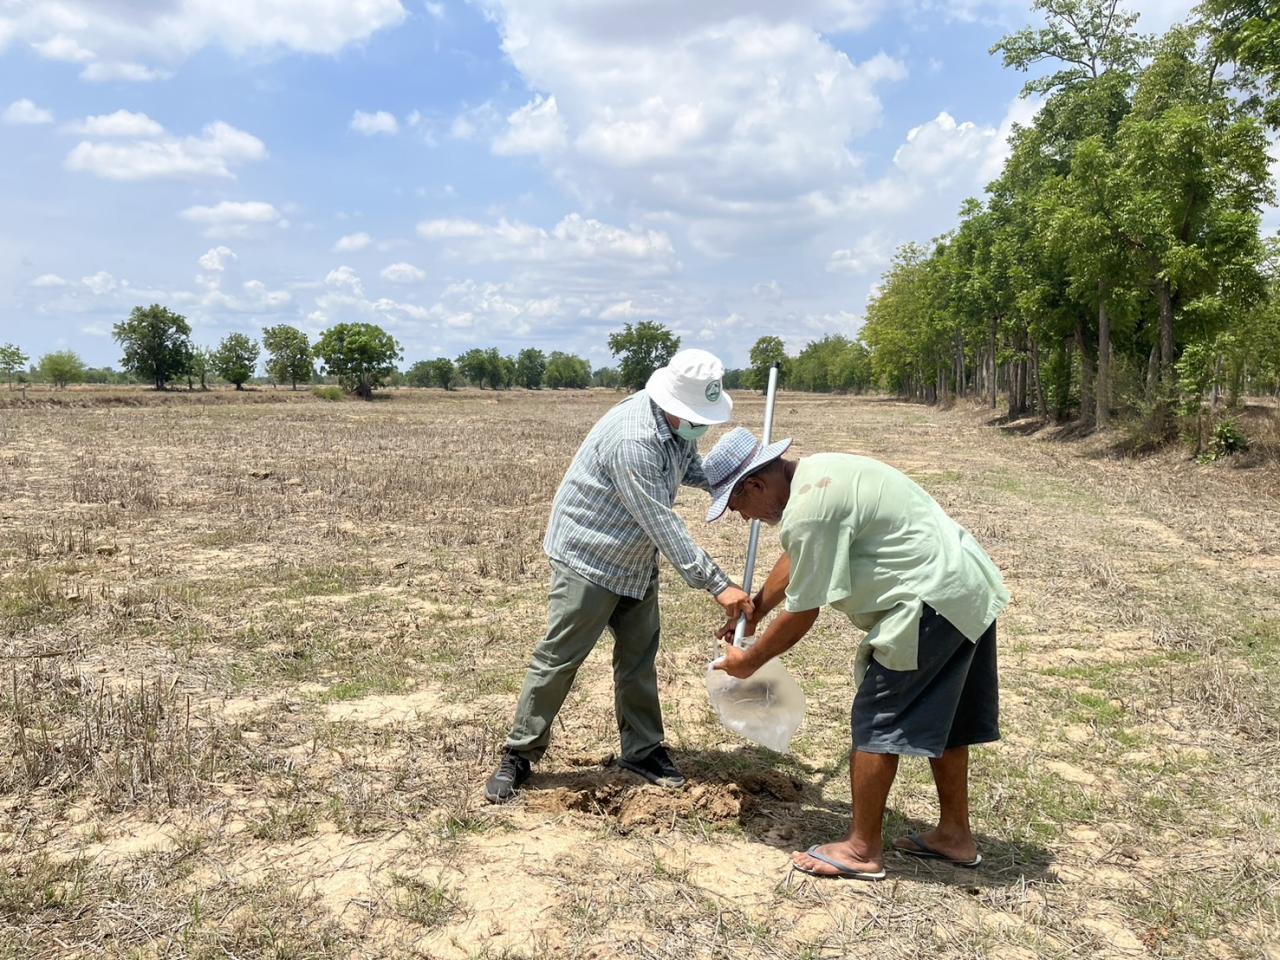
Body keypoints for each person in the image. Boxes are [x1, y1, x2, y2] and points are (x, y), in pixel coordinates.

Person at [704, 427, 1009, 880]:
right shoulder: (819, 475)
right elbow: (798, 559)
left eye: (736, 506)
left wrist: (749, 661)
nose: (743, 517)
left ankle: (861, 850)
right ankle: (954, 836)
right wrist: (757, 607)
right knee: (947, 720)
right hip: (964, 587)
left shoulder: (809, 511)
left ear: (755, 485)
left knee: (877, 716)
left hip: (929, 603)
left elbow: (804, 612)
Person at [484, 350, 755, 803]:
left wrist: (732, 484)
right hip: (589, 557)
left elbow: (689, 468)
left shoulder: (673, 425)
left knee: (638, 657)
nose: (699, 426)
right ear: (672, 402)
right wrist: (718, 583)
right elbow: (661, 522)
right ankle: (520, 754)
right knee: (559, 658)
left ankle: (642, 750)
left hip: (633, 559)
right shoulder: (632, 439)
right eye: (695, 417)